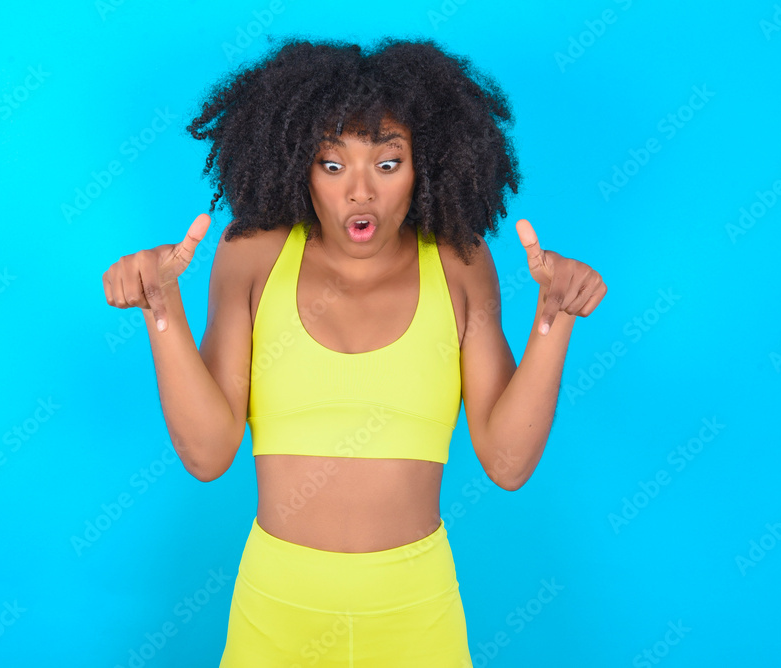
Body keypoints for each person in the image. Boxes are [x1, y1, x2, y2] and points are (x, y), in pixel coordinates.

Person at [102, 36, 606, 667]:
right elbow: (207, 454)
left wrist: (552, 324)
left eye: (387, 164)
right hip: (275, 615)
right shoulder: (252, 255)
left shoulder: (459, 265)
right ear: (297, 166)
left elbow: (507, 462)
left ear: (427, 167)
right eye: (333, 165)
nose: (359, 192)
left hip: (416, 617)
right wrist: (161, 311)